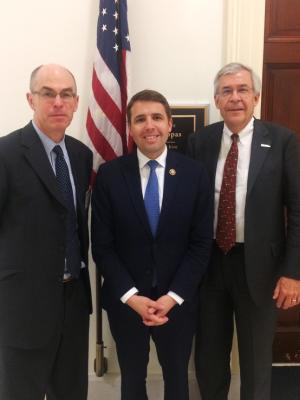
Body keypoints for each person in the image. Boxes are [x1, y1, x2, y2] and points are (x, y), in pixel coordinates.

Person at [187, 62, 300, 400]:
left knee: (255, 361)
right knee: (209, 359)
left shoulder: (282, 141)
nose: (235, 98)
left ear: (256, 97)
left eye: (242, 90)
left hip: (261, 270)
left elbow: (297, 210)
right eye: (227, 91)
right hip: (209, 267)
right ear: (217, 100)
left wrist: (293, 272)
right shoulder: (199, 142)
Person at [91, 89, 213, 400]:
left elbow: (200, 245)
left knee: (177, 381)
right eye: (140, 119)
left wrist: (172, 297)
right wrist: (133, 297)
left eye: (157, 117)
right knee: (132, 380)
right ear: (130, 128)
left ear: (170, 124)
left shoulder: (195, 174)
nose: (150, 126)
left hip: (177, 302)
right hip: (127, 301)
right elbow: (103, 247)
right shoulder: (109, 175)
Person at [0, 64, 93, 400]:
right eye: (48, 93)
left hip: (73, 302)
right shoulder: (6, 153)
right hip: (23, 307)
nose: (58, 102)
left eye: (66, 94)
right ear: (31, 99)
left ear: (76, 101)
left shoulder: (81, 156)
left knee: (71, 393)